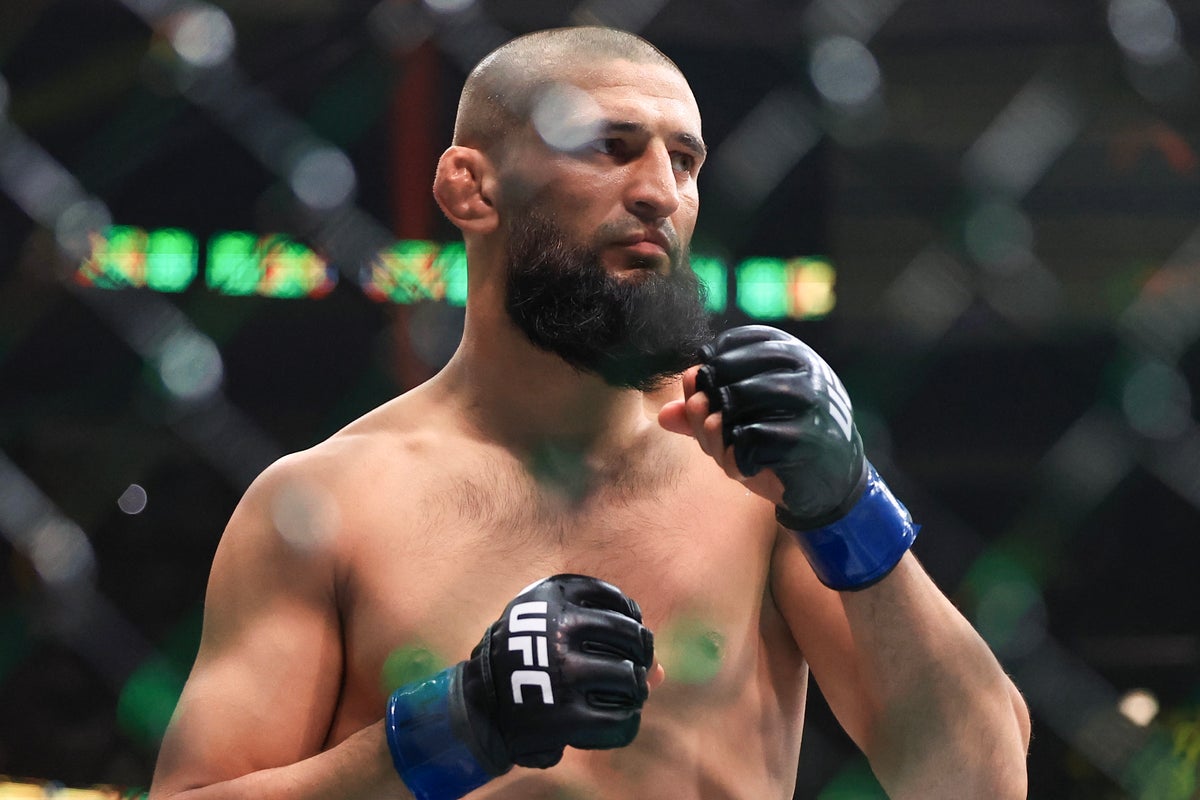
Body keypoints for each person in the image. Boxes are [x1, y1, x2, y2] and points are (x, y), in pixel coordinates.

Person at [149, 25, 1031, 800]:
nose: (660, 192)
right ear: (471, 188)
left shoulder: (758, 475)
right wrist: (454, 727)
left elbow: (979, 781)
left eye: (684, 161)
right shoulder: (328, 503)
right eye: (611, 147)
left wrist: (849, 507)